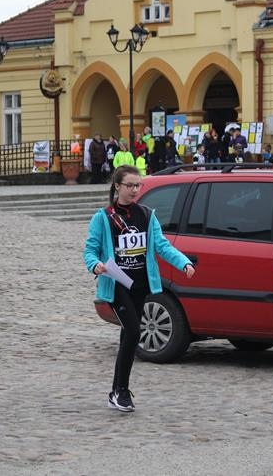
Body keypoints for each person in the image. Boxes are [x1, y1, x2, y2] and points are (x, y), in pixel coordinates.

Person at [83, 165, 195, 412]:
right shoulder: (103, 217)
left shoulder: (146, 215)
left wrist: (183, 262)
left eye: (138, 185)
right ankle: (121, 391)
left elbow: (162, 246)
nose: (134, 190)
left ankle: (117, 391)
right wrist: (95, 265)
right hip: (116, 283)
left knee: (128, 334)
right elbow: (90, 249)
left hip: (139, 284)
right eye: (130, 185)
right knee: (134, 332)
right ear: (117, 186)